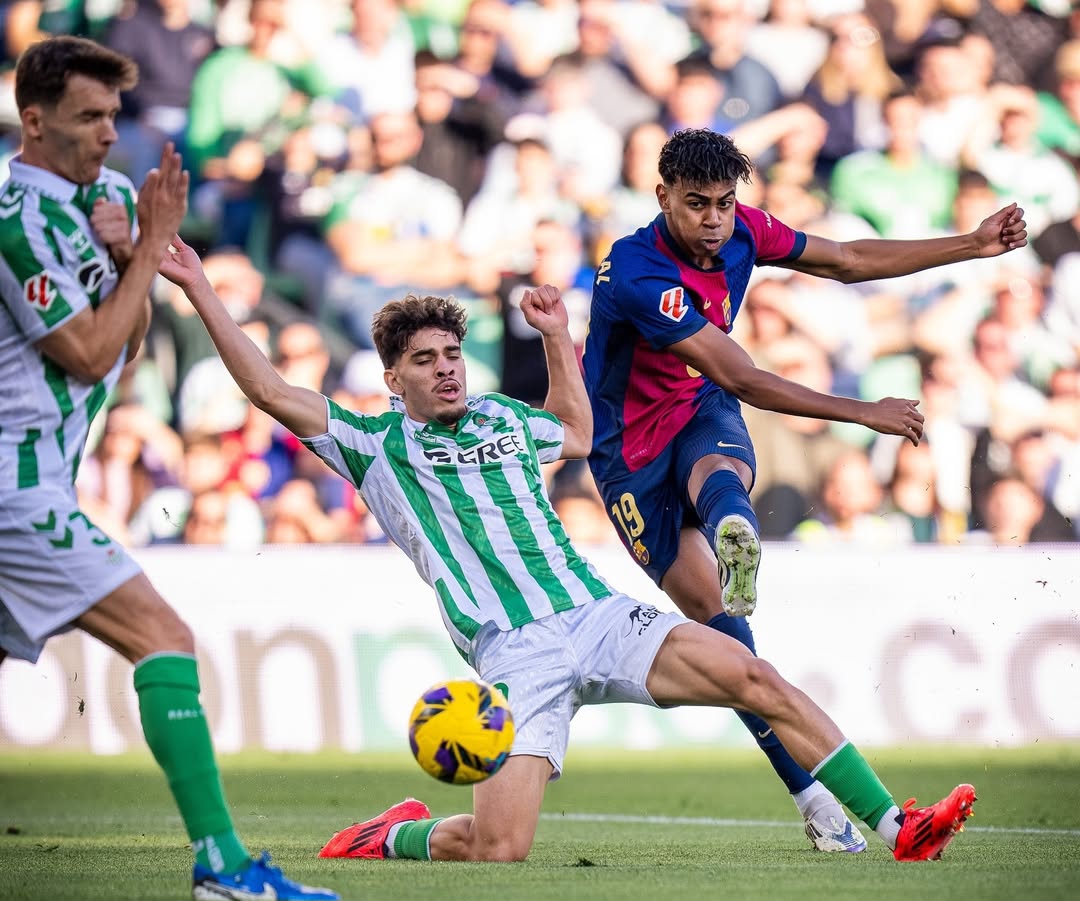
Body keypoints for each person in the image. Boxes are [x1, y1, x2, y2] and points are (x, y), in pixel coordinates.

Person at [157, 235, 977, 865]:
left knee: (755, 675)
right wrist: (198, 287)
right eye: (424, 361)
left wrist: (556, 335)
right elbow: (267, 389)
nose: (446, 371)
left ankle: (896, 824)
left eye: (451, 355)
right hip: (516, 653)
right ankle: (395, 834)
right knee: (497, 848)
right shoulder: (373, 445)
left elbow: (579, 430)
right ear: (391, 380)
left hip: (598, 616)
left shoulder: (506, 421)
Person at [580, 127, 1027, 853]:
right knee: (736, 654)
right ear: (661, 196)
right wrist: (863, 412)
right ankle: (820, 801)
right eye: (697, 205)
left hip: (696, 410)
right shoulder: (636, 272)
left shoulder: (743, 231)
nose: (715, 221)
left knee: (718, 470)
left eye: (726, 204)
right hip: (628, 457)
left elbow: (848, 260)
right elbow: (745, 376)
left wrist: (970, 244)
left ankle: (736, 533)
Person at [0, 36, 337, 901]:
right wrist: (147, 250)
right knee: (165, 636)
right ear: (32, 123)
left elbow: (130, 344)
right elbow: (83, 352)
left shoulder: (111, 199)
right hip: (13, 487)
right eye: (88, 116)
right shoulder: (16, 222)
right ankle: (223, 867)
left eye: (114, 115)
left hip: (41, 476)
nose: (111, 134)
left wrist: (128, 258)